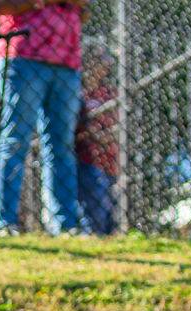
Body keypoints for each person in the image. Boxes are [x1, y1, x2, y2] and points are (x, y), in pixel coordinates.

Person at [0, 0, 85, 234]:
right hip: (23, 55)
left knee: (62, 146)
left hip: (68, 60)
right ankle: (5, 222)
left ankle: (65, 225)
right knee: (15, 140)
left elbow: (85, 9)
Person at [76, 47, 120, 235]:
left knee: (112, 213)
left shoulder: (110, 93)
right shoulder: (79, 93)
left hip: (111, 162)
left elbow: (117, 125)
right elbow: (81, 130)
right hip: (88, 160)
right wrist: (96, 134)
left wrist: (101, 135)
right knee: (94, 211)